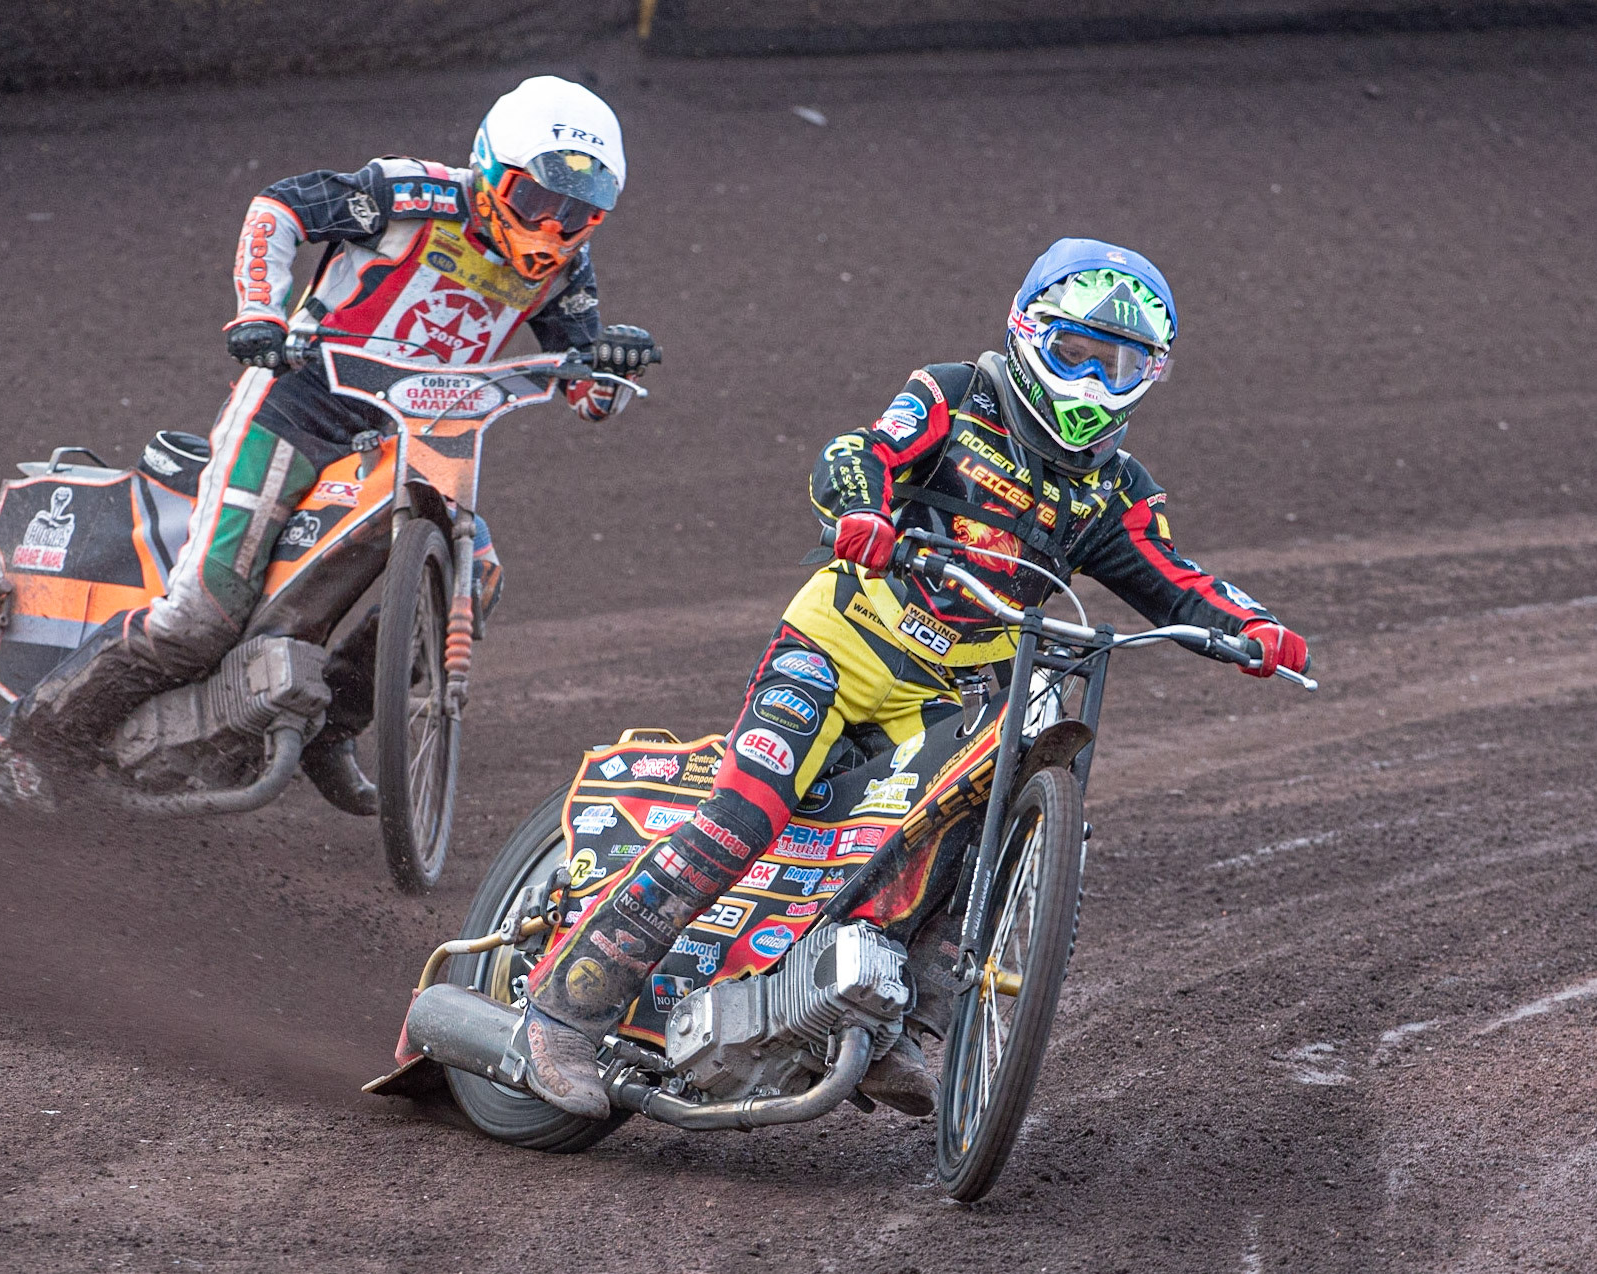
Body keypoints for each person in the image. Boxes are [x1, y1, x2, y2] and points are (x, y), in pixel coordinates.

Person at [516, 238, 1309, 1119]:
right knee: (744, 811)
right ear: (1026, 332)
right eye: (1075, 351)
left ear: (1150, 374)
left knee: (965, 826)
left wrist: (1254, 629)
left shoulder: (1116, 490)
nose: (1091, 379)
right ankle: (563, 1012)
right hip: (842, 642)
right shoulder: (954, 395)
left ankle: (902, 1025)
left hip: (948, 695)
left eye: (1117, 362)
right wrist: (860, 510)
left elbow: (1172, 576)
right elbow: (860, 452)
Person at [0, 76, 660, 810]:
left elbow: (586, 398)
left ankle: (328, 728)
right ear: (491, 170)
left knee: (474, 577)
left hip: (405, 440)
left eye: (578, 212)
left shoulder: (566, 273)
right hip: (297, 402)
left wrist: (607, 363)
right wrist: (259, 313)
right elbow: (278, 208)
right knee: (199, 619)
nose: (553, 226)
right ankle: (30, 745)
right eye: (537, 201)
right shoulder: (413, 196)